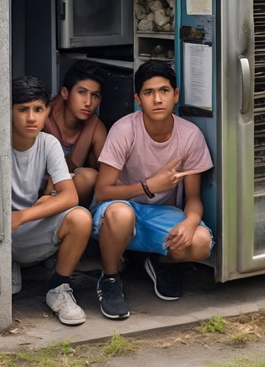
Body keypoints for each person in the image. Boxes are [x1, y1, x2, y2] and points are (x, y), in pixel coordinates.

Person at [92, 60, 214, 320]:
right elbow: (102, 192)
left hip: (160, 214)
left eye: (164, 91)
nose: (157, 99)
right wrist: (149, 186)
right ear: (138, 98)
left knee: (202, 243)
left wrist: (191, 223)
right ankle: (110, 277)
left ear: (176, 94)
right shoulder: (125, 129)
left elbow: (193, 198)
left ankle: (159, 264)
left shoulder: (190, 135)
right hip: (120, 210)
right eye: (148, 93)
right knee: (120, 215)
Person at [11, 75, 92, 326]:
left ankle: (58, 287)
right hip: (0, 234)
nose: (31, 118)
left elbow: (71, 195)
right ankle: (8, 263)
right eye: (23, 110)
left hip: (27, 225)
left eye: (38, 109)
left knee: (80, 217)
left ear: (47, 110)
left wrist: (23, 215)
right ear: (9, 111)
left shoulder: (48, 143)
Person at [43, 60, 108, 207]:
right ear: (65, 93)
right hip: (38, 191)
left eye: (95, 95)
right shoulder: (43, 118)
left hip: (71, 200)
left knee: (89, 177)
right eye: (82, 92)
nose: (88, 102)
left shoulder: (95, 126)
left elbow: (107, 175)